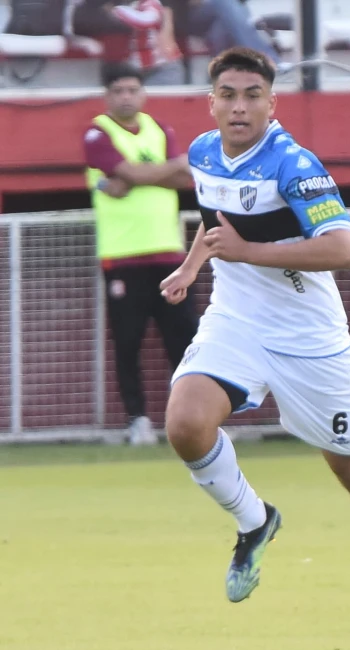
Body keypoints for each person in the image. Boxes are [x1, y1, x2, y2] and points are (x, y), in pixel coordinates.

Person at [157, 47, 350, 650]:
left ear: (271, 103)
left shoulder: (294, 165)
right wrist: (191, 266)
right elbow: (215, 222)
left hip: (309, 339)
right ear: (212, 101)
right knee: (185, 423)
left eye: (252, 94)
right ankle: (254, 521)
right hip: (236, 319)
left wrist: (246, 252)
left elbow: (342, 250)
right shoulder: (203, 153)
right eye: (228, 94)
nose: (239, 105)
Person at [84, 62, 197, 446]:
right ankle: (138, 420)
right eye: (119, 90)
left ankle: (189, 419)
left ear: (143, 93)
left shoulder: (159, 129)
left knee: (183, 340)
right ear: (107, 95)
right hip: (123, 255)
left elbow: (184, 178)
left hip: (169, 253)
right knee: (128, 341)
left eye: (133, 89)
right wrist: (161, 171)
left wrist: (137, 175)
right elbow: (139, 173)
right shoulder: (98, 133)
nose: (127, 96)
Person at [73, 0, 186, 86]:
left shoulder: (149, 3)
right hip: (124, 70)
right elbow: (80, 20)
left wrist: (116, 11)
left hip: (160, 68)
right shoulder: (99, 6)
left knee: (161, 109)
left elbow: (146, 20)